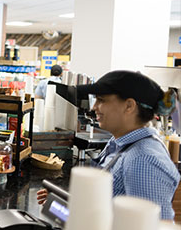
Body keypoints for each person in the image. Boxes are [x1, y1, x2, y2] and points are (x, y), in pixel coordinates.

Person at [38, 70, 180, 220]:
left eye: (101, 100)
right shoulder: (119, 143)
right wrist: (58, 205)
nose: (94, 107)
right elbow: (106, 212)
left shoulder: (144, 160)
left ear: (129, 106)